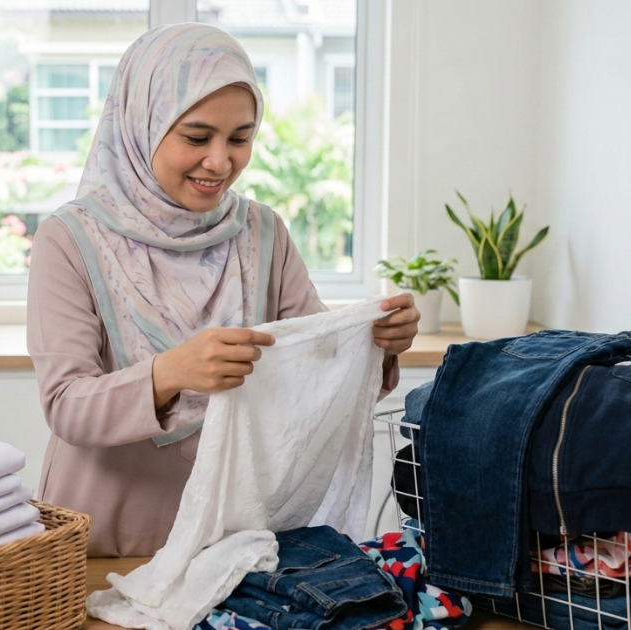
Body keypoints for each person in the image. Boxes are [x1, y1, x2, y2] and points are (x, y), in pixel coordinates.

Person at [26, 23, 420, 558]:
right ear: (142, 124)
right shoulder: (71, 239)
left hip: (234, 539)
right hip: (107, 534)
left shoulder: (262, 232)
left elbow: (312, 369)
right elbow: (66, 405)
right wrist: (170, 373)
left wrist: (373, 342)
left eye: (240, 138)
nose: (220, 161)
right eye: (196, 137)